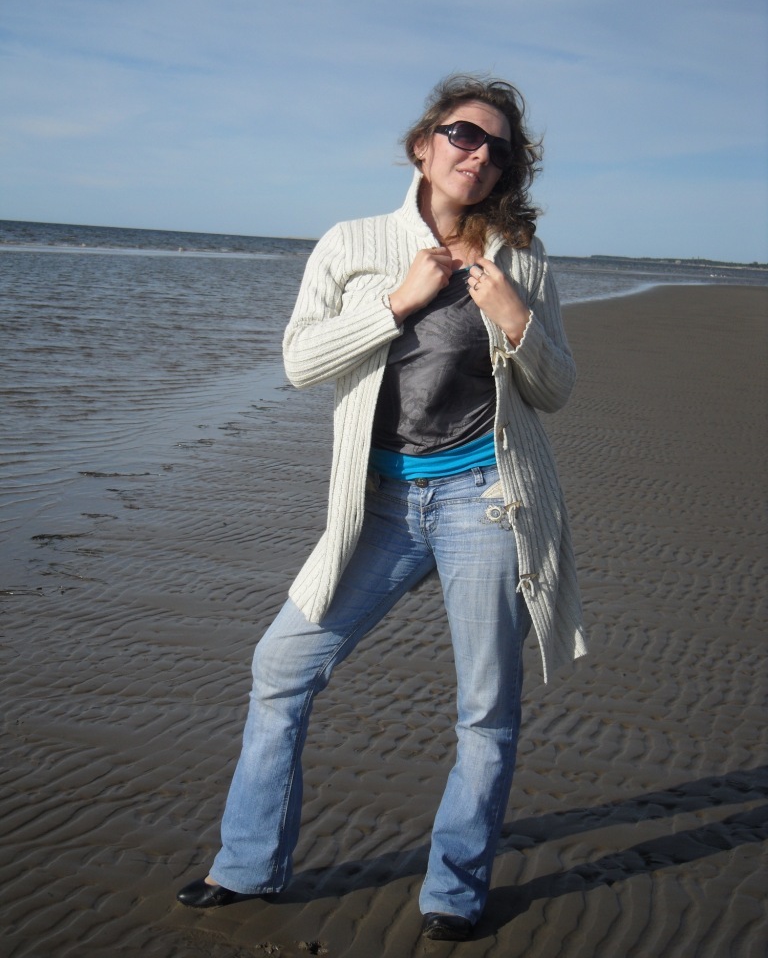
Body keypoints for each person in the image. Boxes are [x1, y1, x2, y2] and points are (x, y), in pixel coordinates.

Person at [176, 74, 587, 942]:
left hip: (488, 500)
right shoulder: (353, 243)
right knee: (280, 667)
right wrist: (396, 302)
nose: (479, 154)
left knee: (486, 708)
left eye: (499, 147)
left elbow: (555, 390)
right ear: (424, 144)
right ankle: (247, 863)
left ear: (508, 169)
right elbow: (300, 362)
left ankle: (455, 890)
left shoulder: (522, 259)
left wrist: (514, 317)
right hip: (379, 506)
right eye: (464, 134)